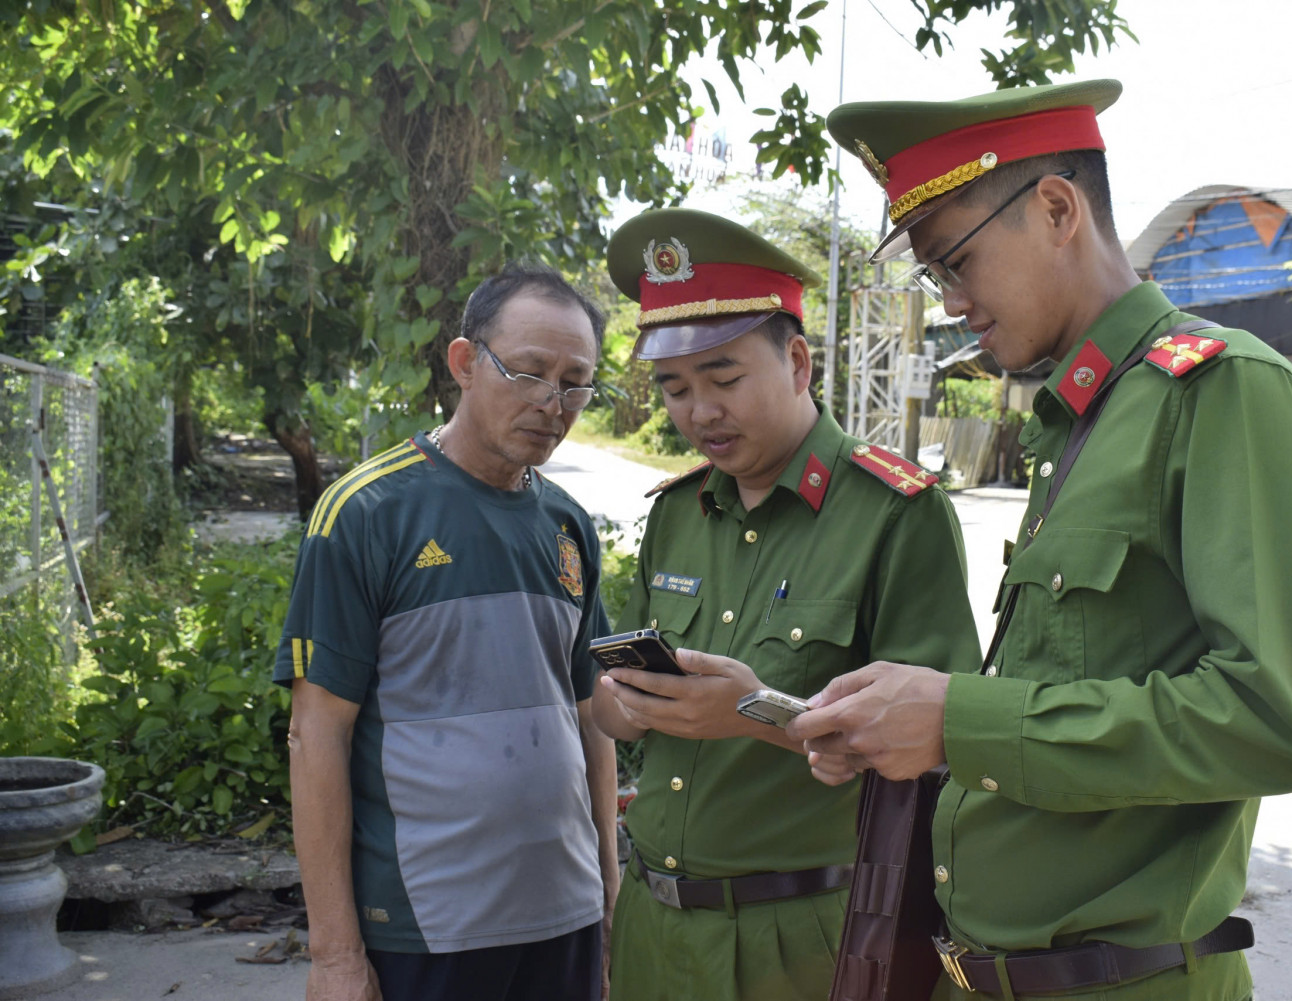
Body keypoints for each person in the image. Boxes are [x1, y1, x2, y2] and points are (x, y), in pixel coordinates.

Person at [788, 79, 1292, 1001]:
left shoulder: (1221, 392)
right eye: (935, 277)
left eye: (957, 262)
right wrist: (913, 733)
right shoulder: (1079, 420)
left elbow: (1282, 721)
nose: (953, 302)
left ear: (1056, 208)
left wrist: (958, 719)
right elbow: (1068, 691)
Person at [588, 208, 981, 1001]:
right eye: (675, 388)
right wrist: (623, 705)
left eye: (725, 379)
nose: (700, 412)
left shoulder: (895, 514)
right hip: (654, 928)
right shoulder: (676, 513)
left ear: (798, 362)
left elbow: (941, 748)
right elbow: (619, 706)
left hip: (804, 938)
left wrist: (756, 712)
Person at [274, 263, 619, 1001]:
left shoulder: (567, 526)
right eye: (528, 372)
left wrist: (611, 892)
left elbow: (591, 718)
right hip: (425, 924)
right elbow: (317, 734)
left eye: (575, 383)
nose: (552, 403)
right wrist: (335, 954)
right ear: (465, 362)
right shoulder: (366, 514)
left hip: (567, 916)